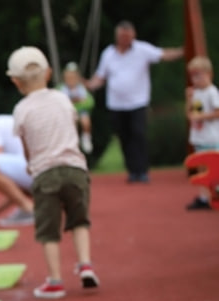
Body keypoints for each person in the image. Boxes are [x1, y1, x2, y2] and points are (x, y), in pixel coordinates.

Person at [7, 46, 100, 299]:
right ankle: (85, 265)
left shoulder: (21, 109)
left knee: (48, 230)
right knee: (79, 220)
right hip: (75, 168)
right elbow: (71, 126)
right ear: (48, 73)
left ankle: (55, 280)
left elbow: (27, 147)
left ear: (16, 82)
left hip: (45, 172)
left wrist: (31, 164)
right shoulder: (62, 98)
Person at [85, 20, 183, 183]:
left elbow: (164, 54)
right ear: (117, 36)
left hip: (138, 102)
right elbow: (100, 77)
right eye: (122, 36)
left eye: (128, 35)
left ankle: (142, 170)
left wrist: (183, 50)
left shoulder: (142, 49)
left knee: (139, 135)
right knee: (124, 137)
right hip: (116, 104)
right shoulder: (108, 53)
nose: (125, 39)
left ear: (133, 35)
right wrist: (88, 84)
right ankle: (132, 170)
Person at [184, 56, 219, 211]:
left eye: (199, 75)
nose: (196, 79)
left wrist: (202, 117)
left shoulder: (212, 92)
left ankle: (215, 193)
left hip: (212, 138)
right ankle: (205, 197)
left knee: (214, 168)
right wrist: (188, 100)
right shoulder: (195, 93)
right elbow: (190, 115)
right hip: (199, 138)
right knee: (201, 170)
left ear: (209, 74)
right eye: (193, 76)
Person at [59, 62, 95, 154]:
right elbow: (61, 102)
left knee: (85, 121)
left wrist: (74, 103)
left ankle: (86, 138)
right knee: (72, 124)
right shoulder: (62, 89)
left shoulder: (80, 88)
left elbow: (88, 102)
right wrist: (77, 101)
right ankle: (73, 143)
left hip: (80, 112)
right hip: (68, 114)